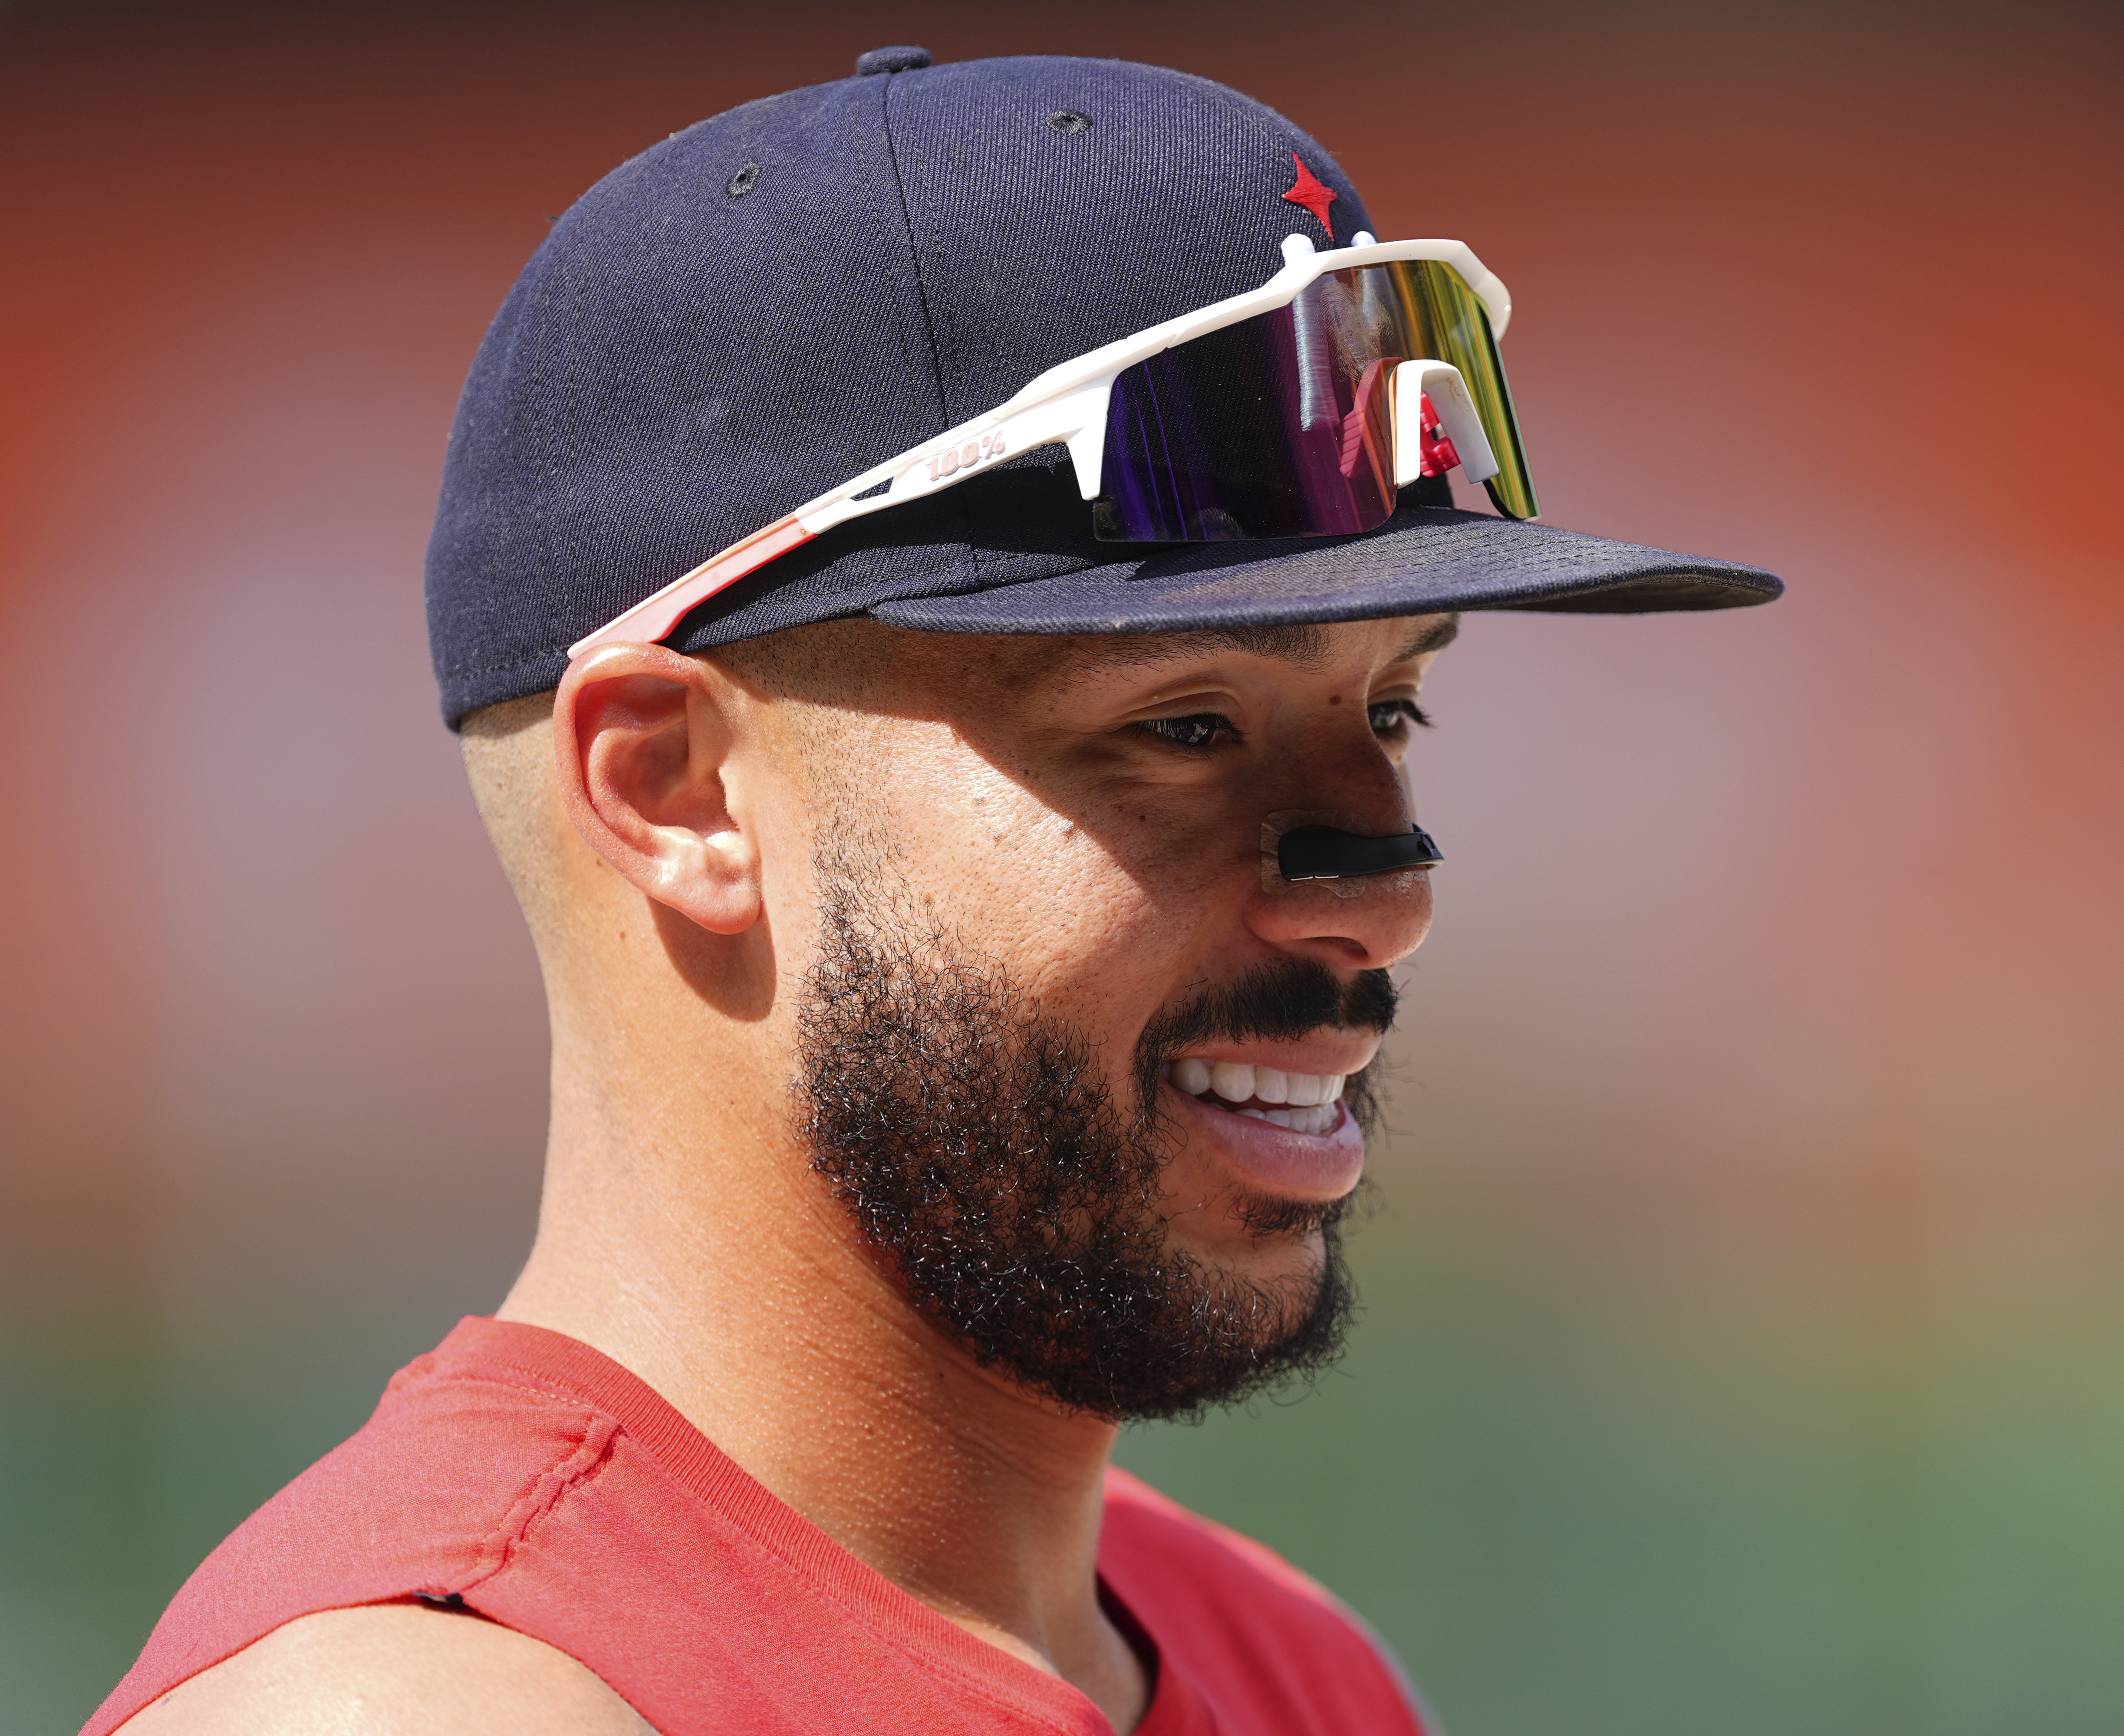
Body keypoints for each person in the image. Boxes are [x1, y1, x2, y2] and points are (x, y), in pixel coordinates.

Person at [86, 47, 1777, 1736]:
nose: (1380, 900)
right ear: (673, 787)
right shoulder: (441, 1704)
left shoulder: (1294, 1668)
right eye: (1184, 725)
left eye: (1390, 704)